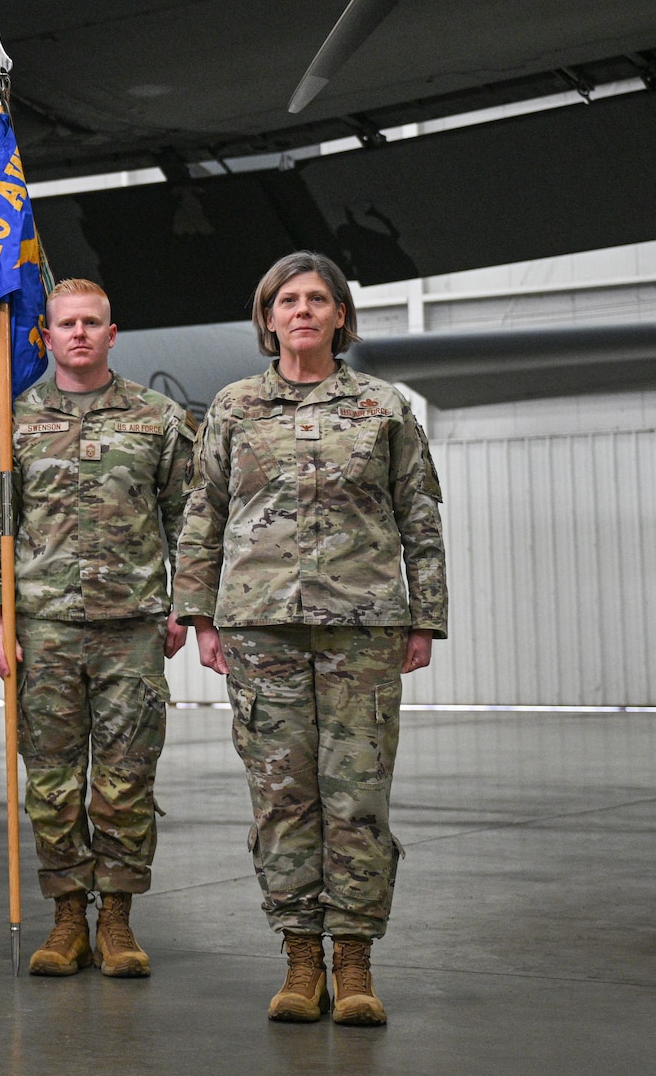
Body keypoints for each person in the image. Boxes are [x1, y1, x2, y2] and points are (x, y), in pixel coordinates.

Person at [176, 251, 446, 1027]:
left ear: (339, 317)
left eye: (317, 299)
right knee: (282, 799)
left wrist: (424, 615)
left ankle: (355, 962)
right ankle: (299, 959)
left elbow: (419, 516)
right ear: (267, 319)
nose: (301, 310)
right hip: (259, 629)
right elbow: (205, 513)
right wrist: (198, 615)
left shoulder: (383, 407)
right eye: (286, 300)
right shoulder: (233, 408)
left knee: (357, 799)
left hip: (363, 630)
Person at [0, 278, 196, 978]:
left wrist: (185, 602)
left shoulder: (157, 420)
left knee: (127, 778)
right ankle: (67, 917)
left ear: (112, 332)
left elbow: (190, 518)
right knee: (53, 782)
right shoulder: (7, 426)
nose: (78, 333)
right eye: (66, 323)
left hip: (130, 628)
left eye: (92, 322)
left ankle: (119, 920)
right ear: (46, 335)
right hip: (46, 627)